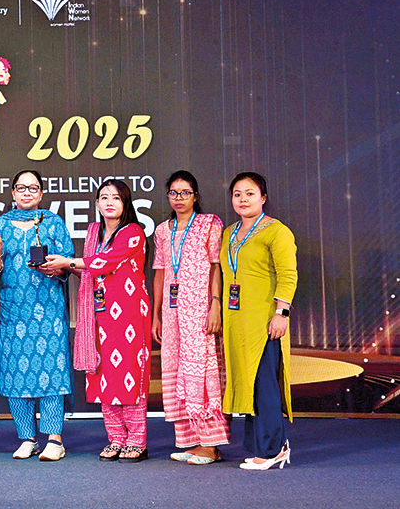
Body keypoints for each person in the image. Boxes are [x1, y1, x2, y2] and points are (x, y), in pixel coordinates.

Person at [46, 179, 151, 462]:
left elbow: (106, 262)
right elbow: (92, 271)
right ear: (96, 203)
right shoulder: (95, 232)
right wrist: (62, 269)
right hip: (100, 315)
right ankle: (116, 439)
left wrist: (67, 262)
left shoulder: (133, 232)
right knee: (105, 374)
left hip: (129, 315)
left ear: (125, 203)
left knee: (129, 373)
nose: (109, 203)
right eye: (104, 197)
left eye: (116, 198)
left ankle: (136, 441)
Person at [0, 170, 74, 461]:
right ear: (12, 192)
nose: (27, 193)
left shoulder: (53, 222)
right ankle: (27, 438)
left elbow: (69, 264)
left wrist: (56, 267)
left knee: (52, 371)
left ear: (41, 193)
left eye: (33, 188)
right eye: (21, 188)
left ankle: (54, 439)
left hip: (48, 309)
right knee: (15, 374)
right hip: (11, 310)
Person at [151, 170, 229, 465]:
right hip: (172, 313)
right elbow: (160, 273)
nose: (179, 198)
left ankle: (211, 445)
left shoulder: (209, 224)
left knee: (202, 370)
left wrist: (215, 305)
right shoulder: (162, 230)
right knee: (177, 370)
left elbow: (216, 267)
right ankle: (192, 442)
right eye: (173, 192)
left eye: (185, 192)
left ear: (195, 196)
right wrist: (157, 315)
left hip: (199, 308)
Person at [220, 172, 297, 470]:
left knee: (264, 384)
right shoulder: (229, 232)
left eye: (250, 193)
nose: (243, 199)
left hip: (266, 321)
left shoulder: (277, 231)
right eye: (237, 194)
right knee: (250, 384)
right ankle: (261, 446)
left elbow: (288, 274)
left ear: (263, 198)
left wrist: (282, 313)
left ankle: (273, 449)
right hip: (237, 321)